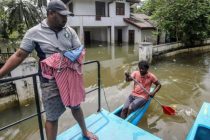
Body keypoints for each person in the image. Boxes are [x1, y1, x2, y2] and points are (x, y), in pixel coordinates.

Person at [0, 0, 98, 140]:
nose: (66, 18)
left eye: (67, 15)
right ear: (51, 13)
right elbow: (19, 55)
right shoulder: (34, 32)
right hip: (49, 81)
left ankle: (85, 131)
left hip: (70, 76)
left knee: (76, 106)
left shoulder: (69, 31)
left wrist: (71, 55)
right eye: (62, 15)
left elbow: (78, 49)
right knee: (52, 116)